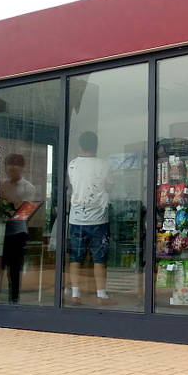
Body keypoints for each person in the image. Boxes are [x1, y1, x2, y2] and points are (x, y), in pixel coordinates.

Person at [68, 131, 113, 305]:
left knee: (75, 257)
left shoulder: (73, 165)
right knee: (99, 258)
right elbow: (109, 188)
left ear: (80, 145)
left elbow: (72, 186)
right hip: (99, 219)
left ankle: (75, 294)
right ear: (96, 145)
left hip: (76, 219)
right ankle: (101, 294)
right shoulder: (103, 165)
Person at [0, 153, 36, 304]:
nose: (12, 167)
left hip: (17, 232)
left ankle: (14, 299)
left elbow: (23, 209)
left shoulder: (28, 187)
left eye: (17, 164)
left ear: (23, 168)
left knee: (14, 268)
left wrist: (7, 197)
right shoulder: (0, 184)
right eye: (9, 164)